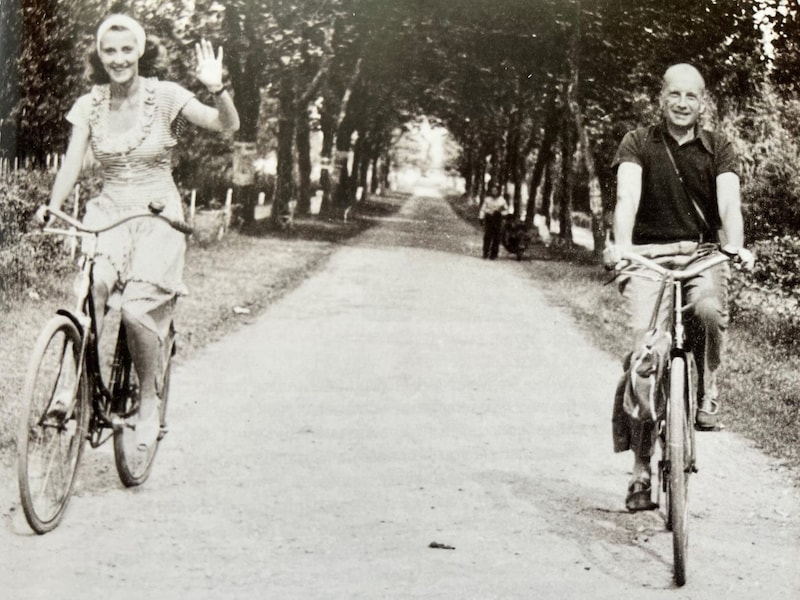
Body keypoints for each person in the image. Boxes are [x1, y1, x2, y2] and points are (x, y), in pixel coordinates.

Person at [38, 14, 240, 450]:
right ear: (99, 54)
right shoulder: (89, 105)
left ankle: (148, 401)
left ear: (141, 51)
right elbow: (72, 162)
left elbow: (227, 126)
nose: (118, 58)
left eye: (127, 49)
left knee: (134, 312)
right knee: (91, 289)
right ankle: (71, 388)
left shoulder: (165, 97)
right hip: (109, 211)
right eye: (109, 50)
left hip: (157, 214)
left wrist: (217, 88)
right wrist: (52, 207)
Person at [605, 63, 754, 511]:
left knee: (708, 310)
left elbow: (729, 203)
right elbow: (626, 197)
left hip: (702, 255)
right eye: (675, 95)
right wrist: (624, 246)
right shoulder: (637, 142)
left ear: (702, 101)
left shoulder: (719, 147)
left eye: (692, 96)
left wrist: (736, 246)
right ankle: (640, 471)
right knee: (644, 359)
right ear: (662, 97)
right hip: (648, 259)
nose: (683, 104)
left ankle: (707, 389)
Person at [479, 183, 509, 259]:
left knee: (496, 237)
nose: (494, 192)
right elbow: (483, 209)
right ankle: (485, 252)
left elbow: (506, 210)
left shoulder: (502, 200)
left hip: (497, 219)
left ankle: (494, 254)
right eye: (493, 190)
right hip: (489, 219)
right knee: (487, 236)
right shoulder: (487, 199)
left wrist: (501, 212)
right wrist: (481, 218)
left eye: (495, 190)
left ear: (498, 191)